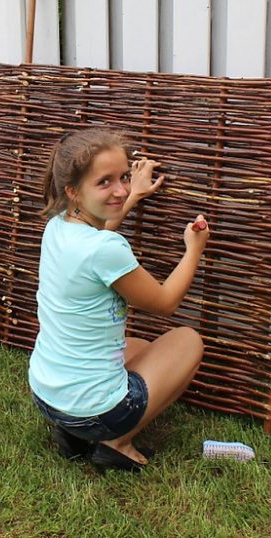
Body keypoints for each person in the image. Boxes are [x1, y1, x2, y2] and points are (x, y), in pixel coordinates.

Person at [28, 127, 208, 472]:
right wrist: (193, 250)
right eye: (105, 182)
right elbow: (166, 302)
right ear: (73, 191)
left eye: (124, 177)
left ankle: (71, 432)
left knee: (140, 349)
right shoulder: (105, 249)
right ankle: (116, 444)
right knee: (187, 341)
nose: (121, 189)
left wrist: (134, 195)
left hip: (46, 394)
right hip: (94, 412)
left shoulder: (58, 226)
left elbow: (98, 236)